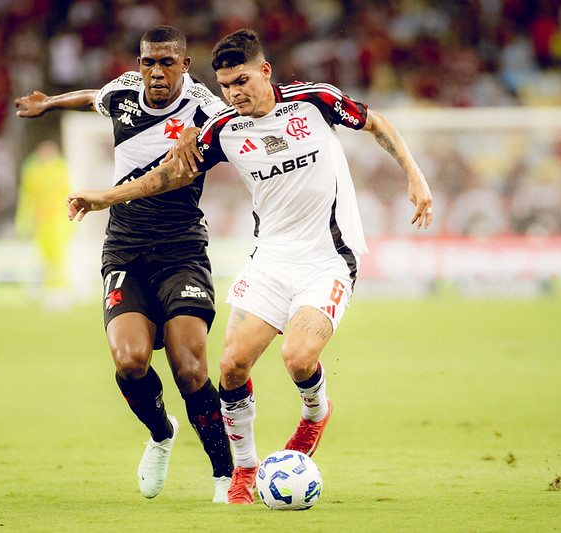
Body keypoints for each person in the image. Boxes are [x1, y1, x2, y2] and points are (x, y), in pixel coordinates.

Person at [65, 28, 433, 505]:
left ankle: (315, 413)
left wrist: (415, 176)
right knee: (231, 365)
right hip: (269, 260)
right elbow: (168, 176)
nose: (234, 93)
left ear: (265, 71)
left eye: (242, 81)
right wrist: (104, 198)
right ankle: (243, 471)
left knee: (298, 358)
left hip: (327, 259)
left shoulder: (316, 101)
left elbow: (377, 123)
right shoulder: (223, 128)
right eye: (225, 86)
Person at [14, 26, 234, 502]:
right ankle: (161, 433)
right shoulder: (124, 93)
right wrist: (50, 101)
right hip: (126, 249)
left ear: (185, 65)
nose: (156, 71)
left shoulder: (207, 110)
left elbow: (228, 127)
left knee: (190, 365)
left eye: (167, 63)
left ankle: (225, 476)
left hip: (181, 249)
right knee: (130, 361)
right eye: (148, 62)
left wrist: (202, 132)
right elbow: (96, 95)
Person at [14, 140, 74, 310]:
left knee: (59, 258)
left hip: (59, 221)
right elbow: (28, 198)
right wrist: (24, 221)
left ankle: (61, 293)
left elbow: (69, 193)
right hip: (41, 221)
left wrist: (72, 221)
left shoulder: (60, 169)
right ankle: (50, 292)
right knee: (46, 259)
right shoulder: (33, 170)